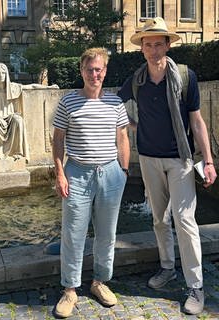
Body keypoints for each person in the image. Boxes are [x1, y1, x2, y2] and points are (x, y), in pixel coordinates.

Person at [118, 17, 217, 315]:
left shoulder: (185, 77)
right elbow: (114, 105)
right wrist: (131, 125)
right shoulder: (136, 80)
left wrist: (209, 161)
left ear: (168, 45)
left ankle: (195, 286)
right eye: (147, 45)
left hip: (181, 159)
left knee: (185, 221)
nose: (152, 50)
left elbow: (196, 121)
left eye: (158, 44)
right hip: (148, 158)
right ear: (142, 48)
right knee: (159, 220)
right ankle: (167, 268)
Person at [52, 47, 130, 318]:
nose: (94, 74)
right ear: (82, 72)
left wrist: (124, 171)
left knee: (107, 233)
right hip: (77, 172)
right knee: (73, 234)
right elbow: (58, 139)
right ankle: (70, 289)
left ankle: (100, 281)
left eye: (98, 69)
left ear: (105, 71)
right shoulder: (68, 102)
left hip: (110, 173)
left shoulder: (115, 103)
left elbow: (122, 137)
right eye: (89, 70)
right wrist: (60, 173)